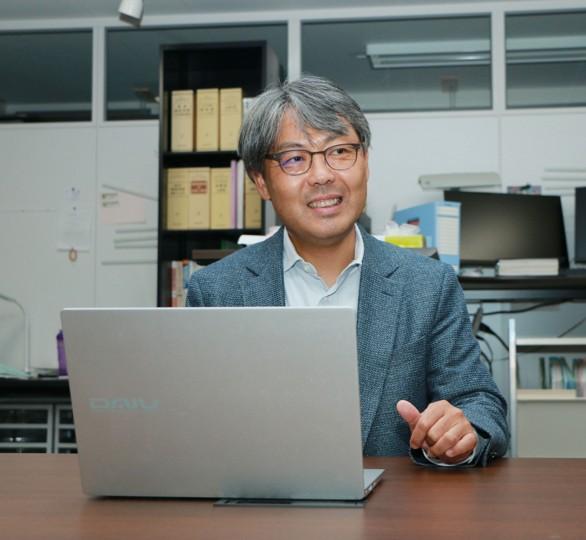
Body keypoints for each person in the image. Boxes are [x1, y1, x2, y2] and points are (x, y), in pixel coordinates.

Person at [187, 75, 508, 467]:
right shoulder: (216, 291)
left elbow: (480, 402)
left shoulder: (428, 285)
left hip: (394, 502)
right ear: (261, 182)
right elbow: (195, 422)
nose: (322, 175)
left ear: (365, 163)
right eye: (295, 159)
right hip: (263, 497)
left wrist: (461, 431)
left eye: (339, 151)